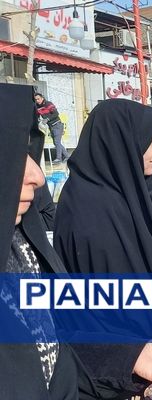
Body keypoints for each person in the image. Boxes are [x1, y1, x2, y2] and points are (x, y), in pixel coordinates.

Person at [53, 99, 152, 397]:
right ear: (121, 144)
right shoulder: (86, 209)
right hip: (127, 372)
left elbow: (142, 263)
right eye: (151, 139)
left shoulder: (135, 190)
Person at [0, 82, 98, 399]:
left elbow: (57, 354)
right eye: (14, 153)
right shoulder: (88, 205)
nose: (38, 177)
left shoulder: (21, 250)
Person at [34, 92, 69, 163]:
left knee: (57, 142)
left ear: (42, 98)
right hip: (51, 127)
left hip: (57, 125)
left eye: (38, 99)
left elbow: (56, 113)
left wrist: (47, 119)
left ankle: (59, 158)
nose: (37, 101)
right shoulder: (37, 107)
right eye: (36, 99)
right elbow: (37, 115)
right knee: (56, 143)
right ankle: (67, 156)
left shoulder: (48, 104)